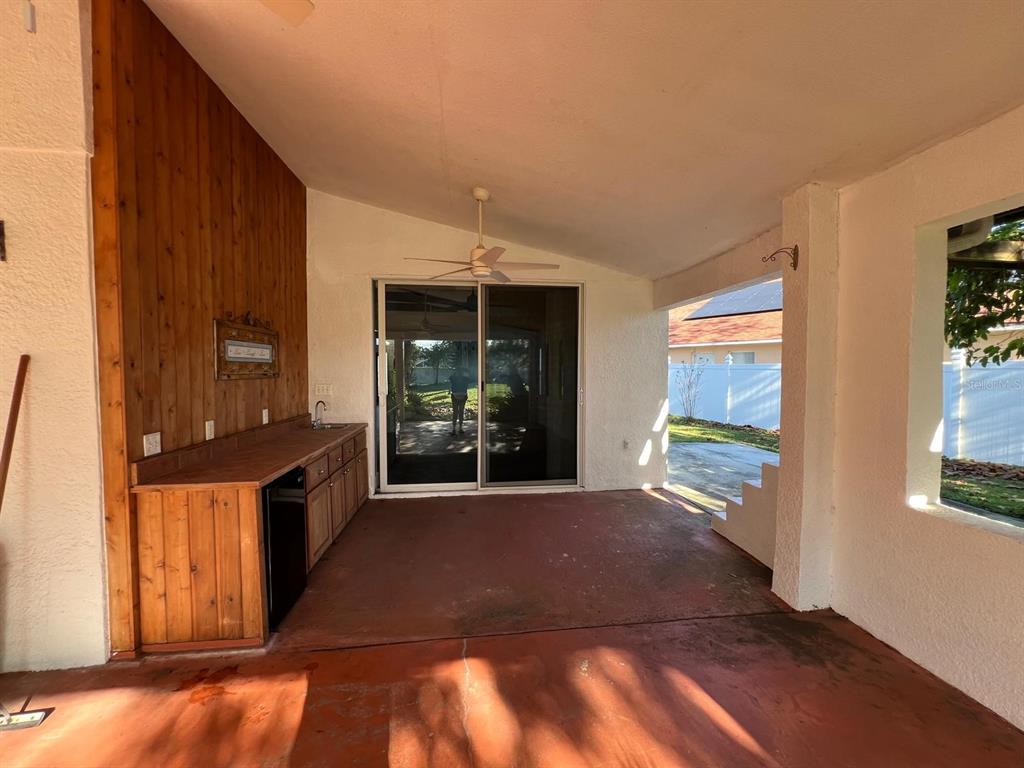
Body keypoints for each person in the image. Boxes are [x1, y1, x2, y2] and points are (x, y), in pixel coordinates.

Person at [449, 367, 471, 436]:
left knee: (455, 412)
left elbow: (450, 377)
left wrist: (455, 373)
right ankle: (460, 428)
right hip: (463, 395)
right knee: (461, 412)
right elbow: (471, 379)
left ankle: (454, 429)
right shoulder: (465, 378)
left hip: (455, 395)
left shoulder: (453, 378)